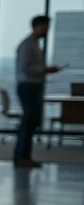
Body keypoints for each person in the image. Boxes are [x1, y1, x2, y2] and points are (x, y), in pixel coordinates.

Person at [15, 15, 61, 168]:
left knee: (31, 122)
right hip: (28, 86)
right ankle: (22, 156)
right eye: (46, 27)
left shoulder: (34, 44)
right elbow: (25, 68)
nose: (48, 30)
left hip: (33, 86)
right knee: (29, 121)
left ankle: (23, 155)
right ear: (38, 26)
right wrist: (45, 69)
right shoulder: (28, 45)